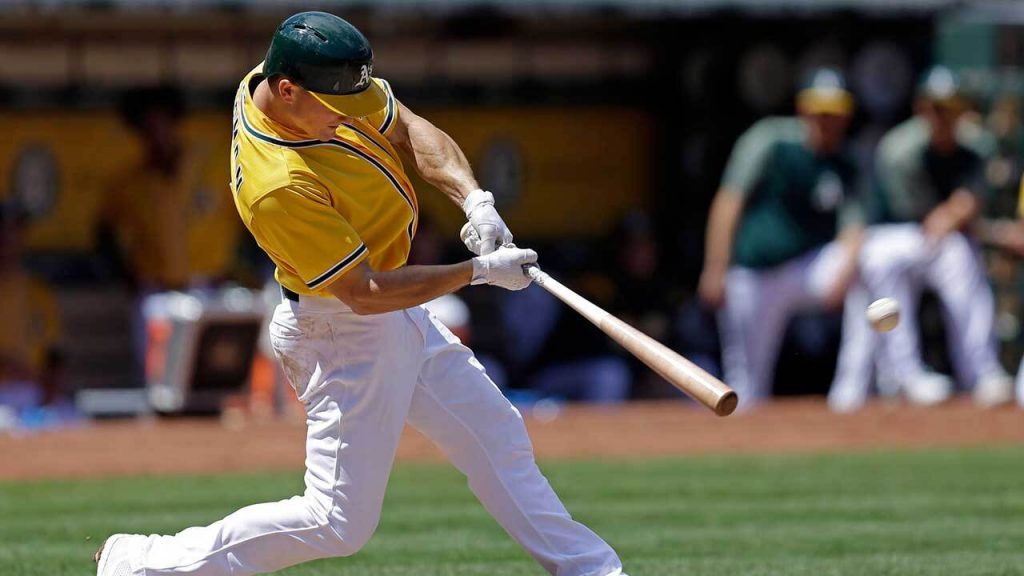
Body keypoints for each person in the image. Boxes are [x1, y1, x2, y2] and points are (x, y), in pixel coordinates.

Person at [95, 12, 626, 576]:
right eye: (338, 109)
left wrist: (476, 199)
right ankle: (140, 564)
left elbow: (407, 128)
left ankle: (593, 571)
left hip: (390, 314)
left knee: (495, 434)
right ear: (286, 91)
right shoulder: (276, 185)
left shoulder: (288, 80)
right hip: (339, 332)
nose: (353, 118)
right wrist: (477, 272)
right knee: (336, 522)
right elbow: (364, 291)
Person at [829, 66, 1014, 411]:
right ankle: (906, 376)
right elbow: (930, 218)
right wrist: (961, 211)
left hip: (946, 240)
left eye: (950, 106)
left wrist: (962, 212)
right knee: (883, 262)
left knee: (960, 253)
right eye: (935, 107)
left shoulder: (977, 145)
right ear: (921, 108)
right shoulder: (900, 148)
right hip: (894, 235)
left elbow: (965, 206)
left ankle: (982, 373)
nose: (942, 115)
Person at [698, 68, 864, 410]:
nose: (827, 120)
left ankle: (852, 394)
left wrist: (845, 268)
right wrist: (715, 266)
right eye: (820, 111)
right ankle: (745, 448)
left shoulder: (845, 161)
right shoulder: (771, 140)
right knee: (745, 387)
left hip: (805, 269)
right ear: (803, 109)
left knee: (870, 265)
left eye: (834, 113)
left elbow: (854, 227)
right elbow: (729, 201)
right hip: (754, 272)